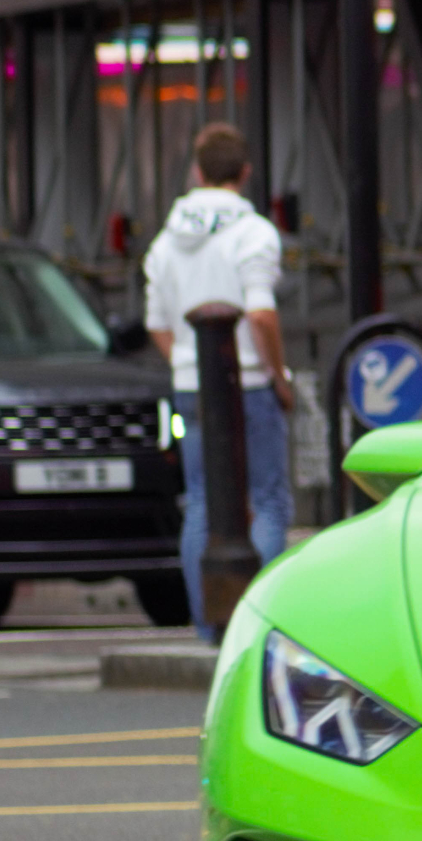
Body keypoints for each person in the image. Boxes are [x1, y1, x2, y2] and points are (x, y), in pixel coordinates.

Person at [143, 123, 293, 636]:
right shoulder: (254, 234)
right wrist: (278, 374)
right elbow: (261, 314)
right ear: (245, 172)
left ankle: (209, 626)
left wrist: (186, 362)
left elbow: (156, 324)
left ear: (196, 172)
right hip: (249, 384)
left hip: (192, 385)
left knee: (203, 502)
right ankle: (260, 626)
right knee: (269, 499)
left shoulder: (165, 241)